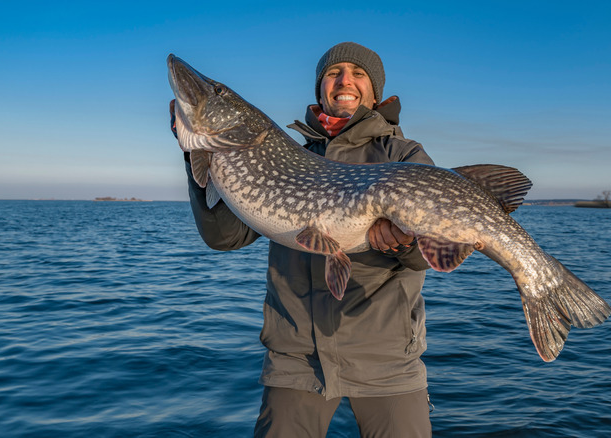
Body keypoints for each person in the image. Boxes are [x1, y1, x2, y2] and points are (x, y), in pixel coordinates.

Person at [172, 42, 435, 437]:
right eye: (333, 73)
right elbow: (223, 237)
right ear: (319, 90)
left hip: (387, 357)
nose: (344, 81)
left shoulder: (403, 154)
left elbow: (428, 253)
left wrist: (404, 242)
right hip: (295, 358)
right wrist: (197, 153)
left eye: (357, 74)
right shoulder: (284, 157)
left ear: (375, 92)